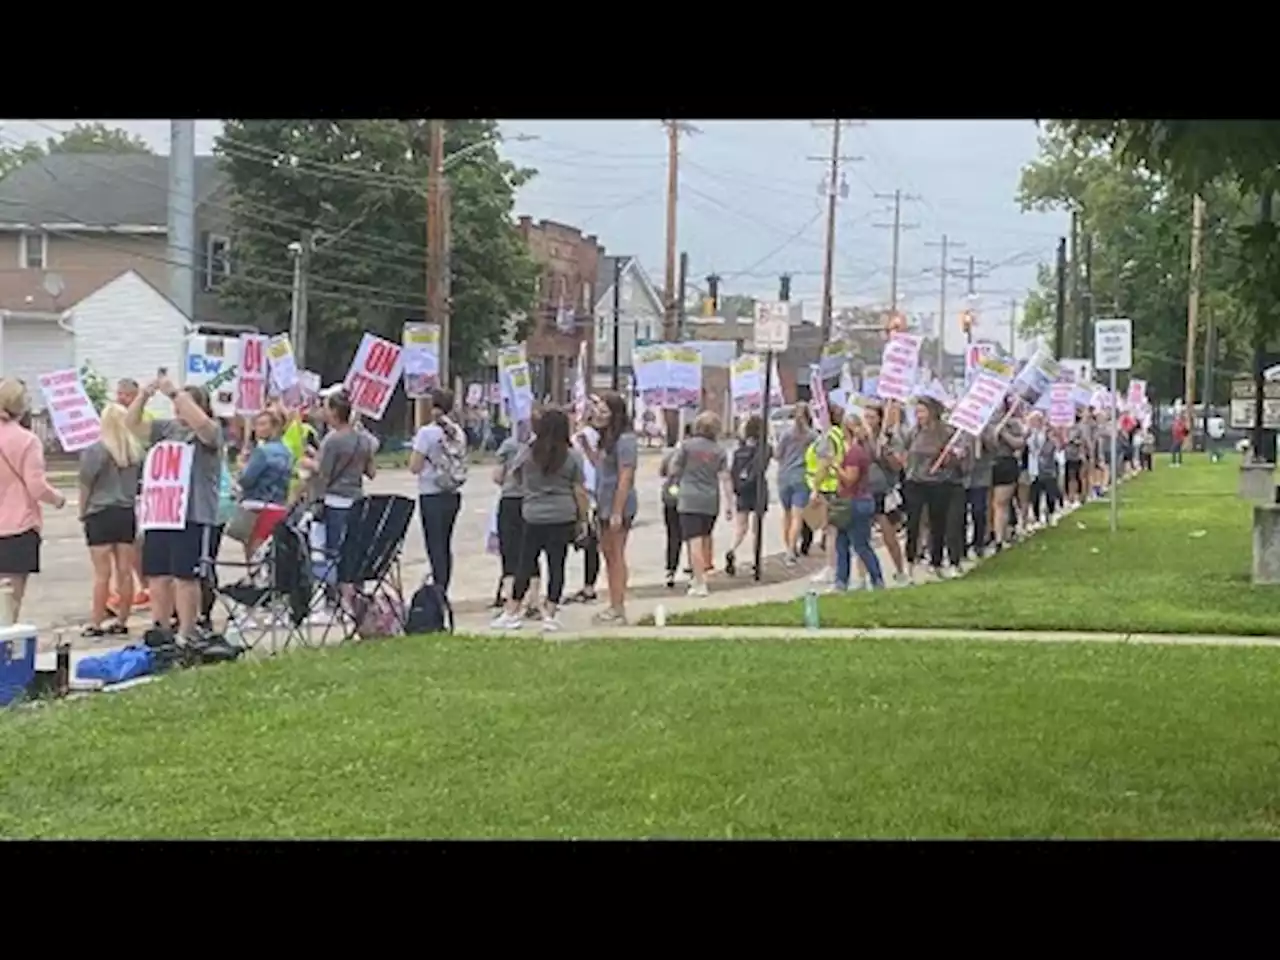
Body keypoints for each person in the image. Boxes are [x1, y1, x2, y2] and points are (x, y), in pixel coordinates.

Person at [126, 378, 223, 644]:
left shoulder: (211, 432)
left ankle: (188, 629)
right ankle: (161, 626)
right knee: (157, 573)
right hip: (162, 513)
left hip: (191, 514)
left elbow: (203, 426)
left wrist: (176, 394)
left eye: (185, 406)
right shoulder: (166, 429)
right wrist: (144, 396)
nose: (179, 411)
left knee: (185, 575)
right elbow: (132, 424)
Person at [490, 409, 588, 633]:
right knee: (557, 564)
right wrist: (582, 519)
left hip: (533, 514)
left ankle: (512, 611)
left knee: (526, 563)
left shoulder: (529, 453)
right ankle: (550, 613)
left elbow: (514, 475)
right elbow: (579, 490)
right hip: (563, 514)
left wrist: (531, 490)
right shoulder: (572, 456)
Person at [0, 379, 66, 621]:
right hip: (18, 526)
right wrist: (57, 498)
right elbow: (36, 486)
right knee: (9, 602)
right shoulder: (27, 441)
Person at [78, 402, 144, 637]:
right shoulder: (135, 451)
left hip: (100, 512)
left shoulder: (96, 450)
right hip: (125, 512)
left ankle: (96, 622)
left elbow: (86, 484)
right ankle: (123, 619)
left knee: (101, 573)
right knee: (124, 571)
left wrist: (82, 510)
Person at [311, 391, 377, 589]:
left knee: (334, 551)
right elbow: (371, 472)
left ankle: (336, 595)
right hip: (357, 499)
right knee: (354, 548)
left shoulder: (332, 441)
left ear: (334, 412)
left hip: (335, 501)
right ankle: (356, 591)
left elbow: (324, 474)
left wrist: (309, 462)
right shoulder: (364, 440)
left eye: (326, 407)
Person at [410, 388, 467, 594]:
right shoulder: (458, 432)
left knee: (434, 545)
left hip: (431, 493)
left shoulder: (426, 433)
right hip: (452, 492)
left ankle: (438, 590)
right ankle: (444, 586)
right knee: (445, 543)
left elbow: (414, 466)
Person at [670, 410, 732, 598]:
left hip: (689, 498)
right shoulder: (719, 451)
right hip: (710, 499)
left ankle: (699, 582)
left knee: (693, 541)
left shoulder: (686, 446)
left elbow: (674, 468)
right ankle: (699, 575)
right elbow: (725, 478)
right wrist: (730, 504)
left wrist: (674, 482)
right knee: (705, 538)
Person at [902, 397, 966, 579]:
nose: (919, 415)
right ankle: (910, 562)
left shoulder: (946, 432)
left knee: (937, 522)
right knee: (913, 522)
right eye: (917, 411)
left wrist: (949, 460)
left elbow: (956, 457)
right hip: (915, 482)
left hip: (938, 482)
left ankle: (936, 561)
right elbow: (905, 452)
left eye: (922, 411)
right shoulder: (913, 432)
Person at [592, 392, 638, 624]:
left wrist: (617, 511)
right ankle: (613, 601)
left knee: (616, 554)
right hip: (603, 503)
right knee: (608, 554)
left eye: (603, 411)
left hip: (618, 505)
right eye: (597, 410)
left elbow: (625, 476)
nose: (598, 415)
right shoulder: (606, 439)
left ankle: (618, 606)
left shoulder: (626, 440)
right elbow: (601, 469)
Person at [227, 409, 293, 561]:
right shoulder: (287, 452)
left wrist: (241, 465)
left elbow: (247, 480)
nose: (258, 428)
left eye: (263, 424)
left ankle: (253, 579)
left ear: (274, 427)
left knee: (252, 549)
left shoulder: (261, 452)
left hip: (256, 504)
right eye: (257, 424)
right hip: (278, 504)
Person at [112, 377, 152, 611]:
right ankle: (138, 587)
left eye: (125, 395)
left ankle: (145, 586)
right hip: (124, 488)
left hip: (141, 488)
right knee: (130, 545)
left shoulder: (145, 420)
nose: (120, 399)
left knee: (136, 544)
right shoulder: (116, 418)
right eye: (119, 394)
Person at [832, 412, 884, 592]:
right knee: (842, 543)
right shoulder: (861, 450)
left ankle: (877, 578)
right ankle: (841, 580)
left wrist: (836, 467)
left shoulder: (854, 453)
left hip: (855, 501)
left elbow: (850, 479)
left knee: (860, 544)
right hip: (853, 500)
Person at [860, 403, 909, 584]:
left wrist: (885, 451)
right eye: (866, 417)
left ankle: (900, 570)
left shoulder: (890, 438)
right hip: (863, 489)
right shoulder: (861, 439)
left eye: (872, 417)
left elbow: (898, 465)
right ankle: (863, 576)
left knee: (888, 532)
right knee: (862, 535)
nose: (868, 421)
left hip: (882, 489)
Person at [803, 403, 846, 584]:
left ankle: (831, 568)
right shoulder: (838, 434)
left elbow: (824, 464)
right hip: (837, 486)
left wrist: (815, 488)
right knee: (834, 533)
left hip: (827, 489)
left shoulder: (826, 439)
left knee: (830, 532)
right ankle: (836, 568)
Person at [492, 417, 531, 609]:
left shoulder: (508, 445)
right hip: (532, 501)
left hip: (510, 500)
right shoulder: (540, 445)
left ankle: (510, 602)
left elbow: (498, 477)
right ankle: (533, 600)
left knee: (509, 551)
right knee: (530, 552)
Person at [726, 414, 770, 577]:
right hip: (757, 489)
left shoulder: (739, 451)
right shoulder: (765, 448)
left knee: (741, 527)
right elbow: (761, 467)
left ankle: (732, 549)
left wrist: (737, 487)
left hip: (742, 491)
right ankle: (755, 560)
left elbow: (733, 471)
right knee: (757, 528)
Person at [566, 403, 602, 604]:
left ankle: (589, 587)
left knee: (590, 542)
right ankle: (586, 587)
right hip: (579, 490)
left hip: (590, 493)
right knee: (586, 542)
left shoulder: (597, 438)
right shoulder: (576, 438)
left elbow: (598, 463)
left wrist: (587, 447)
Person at [775, 403, 815, 565]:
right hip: (802, 476)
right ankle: (792, 549)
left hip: (784, 476)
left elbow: (778, 455)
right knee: (798, 515)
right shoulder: (812, 436)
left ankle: (788, 548)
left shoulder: (786, 435)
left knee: (786, 514)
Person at [986, 399, 1025, 552]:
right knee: (988, 503)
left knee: (1000, 503)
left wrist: (1003, 432)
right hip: (988, 464)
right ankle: (989, 533)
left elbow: (1019, 444)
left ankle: (999, 538)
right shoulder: (985, 423)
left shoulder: (1013, 423)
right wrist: (992, 435)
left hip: (1006, 463)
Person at [659, 424, 690, 589]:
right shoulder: (695, 454)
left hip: (671, 497)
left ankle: (670, 570)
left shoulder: (671, 453)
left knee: (673, 536)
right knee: (693, 536)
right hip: (689, 497)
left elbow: (662, 472)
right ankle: (693, 568)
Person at [1025, 412, 1062, 528]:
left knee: (1050, 494)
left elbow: (1058, 446)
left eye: (1036, 420)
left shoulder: (1047, 434)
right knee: (1034, 495)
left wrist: (1052, 435)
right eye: (1032, 420)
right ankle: (1036, 517)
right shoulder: (1028, 434)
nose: (1034, 423)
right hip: (1033, 469)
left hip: (1047, 468)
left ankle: (1050, 513)